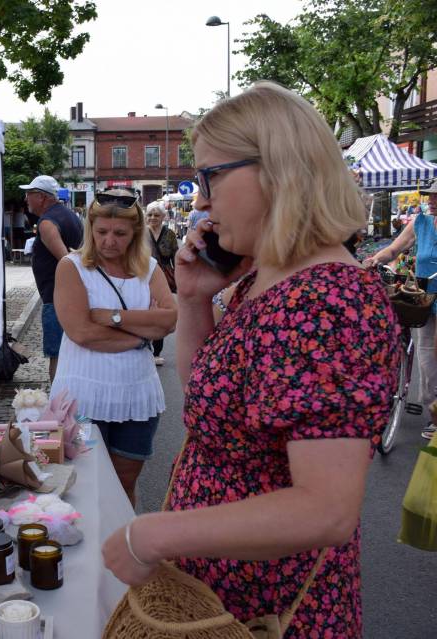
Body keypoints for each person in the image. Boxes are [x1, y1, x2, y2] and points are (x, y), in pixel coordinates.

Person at [102, 82, 400, 638]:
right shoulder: (273, 278)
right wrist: (194, 299)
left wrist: (152, 535)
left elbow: (325, 510)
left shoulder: (326, 299)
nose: (201, 202)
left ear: (276, 171)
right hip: (226, 597)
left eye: (210, 177)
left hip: (272, 610)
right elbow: (209, 400)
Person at [51, 189, 175, 505]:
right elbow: (82, 332)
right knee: (82, 487)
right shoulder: (72, 267)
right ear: (90, 229)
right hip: (84, 396)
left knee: (123, 486)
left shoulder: (149, 268)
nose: (109, 241)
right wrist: (141, 336)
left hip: (136, 395)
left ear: (135, 233)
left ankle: (122, 537)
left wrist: (112, 317)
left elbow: (169, 321)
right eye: (102, 231)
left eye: (120, 233)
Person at [365, 179, 437, 439]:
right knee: (427, 361)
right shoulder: (421, 222)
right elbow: (395, 248)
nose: (431, 200)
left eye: (436, 196)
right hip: (423, 299)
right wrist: (375, 259)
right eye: (430, 195)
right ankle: (434, 412)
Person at [20, 174, 83, 382]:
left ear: (42, 197)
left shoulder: (47, 223)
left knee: (57, 355)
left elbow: (67, 262)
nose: (26, 199)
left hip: (57, 297)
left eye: (29, 194)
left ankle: (58, 398)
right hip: (70, 296)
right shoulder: (70, 215)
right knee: (72, 353)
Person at [145, 201, 178, 365]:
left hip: (164, 278)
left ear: (163, 217)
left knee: (160, 313)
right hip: (143, 276)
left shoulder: (170, 234)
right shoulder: (140, 233)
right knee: (143, 310)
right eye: (150, 214)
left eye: (156, 215)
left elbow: (175, 258)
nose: (153, 218)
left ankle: (156, 352)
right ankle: (143, 347)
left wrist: (178, 278)